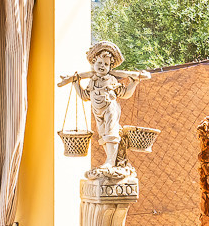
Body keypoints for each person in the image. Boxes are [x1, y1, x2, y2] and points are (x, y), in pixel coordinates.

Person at [57, 40, 151, 177]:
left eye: (106, 64)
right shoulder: (92, 81)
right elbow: (84, 96)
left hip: (110, 108)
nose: (102, 66)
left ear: (110, 67)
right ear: (93, 63)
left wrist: (134, 83)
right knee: (102, 134)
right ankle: (112, 160)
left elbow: (124, 94)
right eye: (100, 63)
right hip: (97, 111)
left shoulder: (111, 80)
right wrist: (76, 83)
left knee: (111, 131)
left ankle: (110, 162)